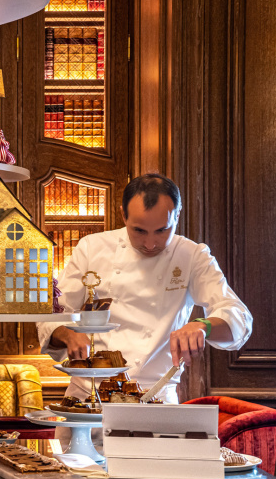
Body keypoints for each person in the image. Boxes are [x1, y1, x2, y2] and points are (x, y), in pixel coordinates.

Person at [37, 173, 252, 404]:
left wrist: (203, 326)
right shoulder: (92, 248)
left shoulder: (192, 256)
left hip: (156, 398)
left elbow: (239, 317)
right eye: (139, 231)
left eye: (162, 230)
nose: (150, 244)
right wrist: (67, 334)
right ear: (123, 215)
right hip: (88, 398)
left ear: (177, 215)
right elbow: (52, 313)